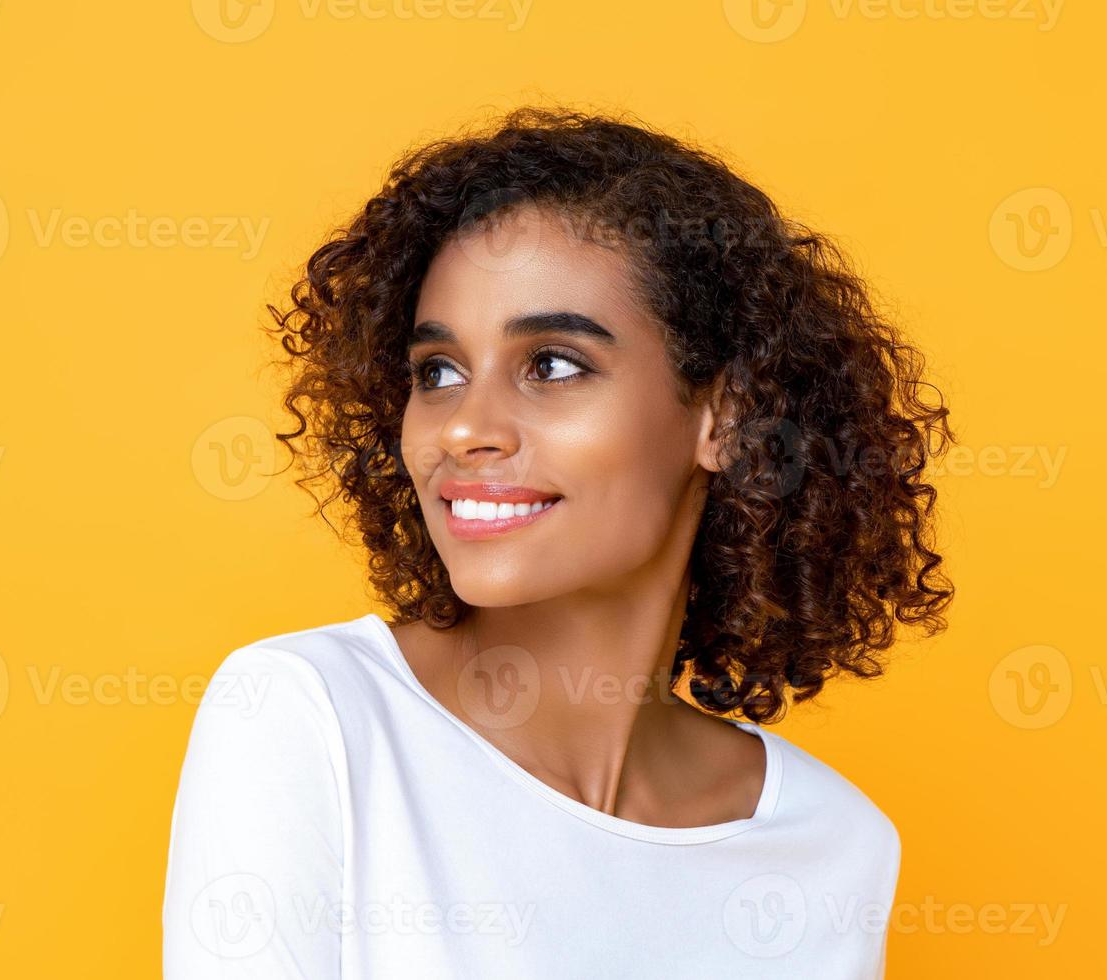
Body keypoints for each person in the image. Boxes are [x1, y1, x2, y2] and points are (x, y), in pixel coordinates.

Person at [162, 104, 954, 978]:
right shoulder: (310, 721)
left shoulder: (830, 846)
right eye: (439, 372)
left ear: (724, 417)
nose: (464, 429)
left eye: (551, 365)